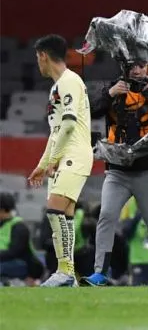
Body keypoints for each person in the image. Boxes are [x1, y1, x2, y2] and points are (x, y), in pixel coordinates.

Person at [82, 53, 148, 288]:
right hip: (117, 171)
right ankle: (99, 272)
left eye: (141, 66)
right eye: (133, 66)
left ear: (147, 66)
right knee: (106, 216)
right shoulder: (113, 89)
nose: (137, 71)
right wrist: (110, 94)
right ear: (124, 67)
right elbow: (89, 112)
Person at [26, 34, 93, 287]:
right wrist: (42, 165)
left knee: (55, 210)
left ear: (44, 55)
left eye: (37, 58)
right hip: (63, 155)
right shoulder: (57, 86)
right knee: (62, 215)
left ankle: (64, 271)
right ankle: (67, 274)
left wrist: (53, 160)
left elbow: (68, 125)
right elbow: (55, 133)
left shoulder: (70, 81)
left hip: (74, 154)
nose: (37, 63)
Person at [0, 193, 44, 284]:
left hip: (23, 265)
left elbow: (14, 252)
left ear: (3, 210)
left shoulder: (19, 227)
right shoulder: (3, 225)